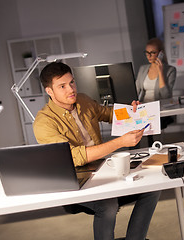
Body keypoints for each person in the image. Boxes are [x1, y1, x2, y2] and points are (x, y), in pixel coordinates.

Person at [33, 62, 161, 240]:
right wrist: (120, 142)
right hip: (75, 180)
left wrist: (133, 112)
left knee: (153, 187)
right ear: (49, 91)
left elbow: (109, 114)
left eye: (72, 82)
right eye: (62, 86)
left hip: (103, 168)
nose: (70, 89)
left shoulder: (83, 100)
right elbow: (73, 157)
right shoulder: (43, 122)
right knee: (107, 204)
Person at [135, 38, 177, 146]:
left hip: (159, 107)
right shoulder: (143, 69)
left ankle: (152, 146)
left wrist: (160, 72)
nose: (149, 56)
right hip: (144, 107)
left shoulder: (170, 70)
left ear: (160, 53)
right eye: (147, 53)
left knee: (146, 123)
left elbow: (166, 96)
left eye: (152, 53)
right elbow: (136, 90)